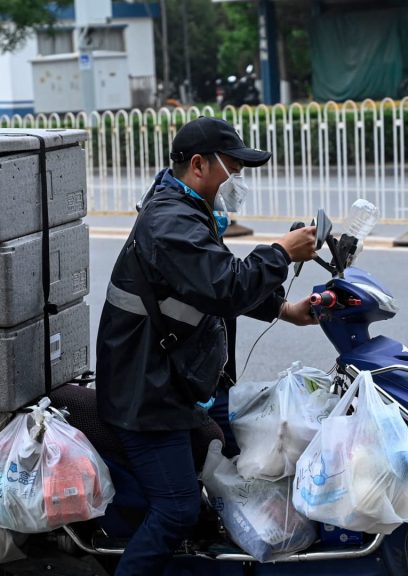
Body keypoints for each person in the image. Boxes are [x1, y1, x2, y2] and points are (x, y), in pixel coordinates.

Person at [95, 116, 318, 575]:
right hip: (147, 392)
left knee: (247, 452)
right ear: (199, 165)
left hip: (179, 378)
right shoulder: (171, 221)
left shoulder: (190, 209)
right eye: (232, 169)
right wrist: (280, 252)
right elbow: (224, 286)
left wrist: (286, 310)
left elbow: (205, 287)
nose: (238, 180)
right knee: (177, 509)